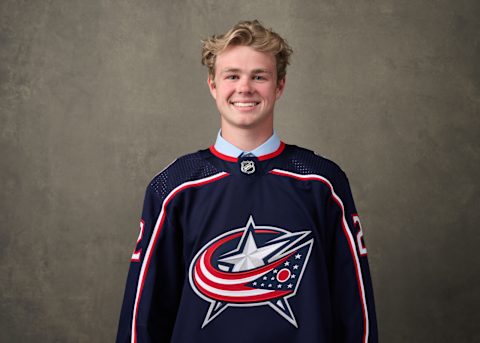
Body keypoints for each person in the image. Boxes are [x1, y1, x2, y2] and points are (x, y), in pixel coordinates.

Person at [116, 19, 378, 343]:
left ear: (279, 85)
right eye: (232, 76)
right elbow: (142, 316)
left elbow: (355, 309)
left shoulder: (323, 182)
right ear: (212, 85)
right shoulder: (172, 187)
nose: (245, 88)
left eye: (259, 76)